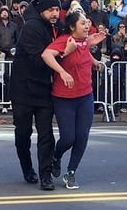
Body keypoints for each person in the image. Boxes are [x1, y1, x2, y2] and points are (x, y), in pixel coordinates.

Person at [41, 12, 105, 189]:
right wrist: (62, 72)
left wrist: (95, 62)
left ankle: (71, 172)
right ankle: (56, 156)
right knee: (68, 137)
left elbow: (84, 51)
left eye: (87, 23)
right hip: (64, 98)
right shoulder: (65, 41)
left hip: (85, 95)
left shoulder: (85, 41)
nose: (87, 26)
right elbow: (46, 55)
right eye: (83, 23)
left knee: (82, 135)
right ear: (72, 27)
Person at [10, 0, 64, 191]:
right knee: (23, 133)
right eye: (51, 10)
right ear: (42, 10)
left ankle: (45, 174)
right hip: (23, 89)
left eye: (57, 10)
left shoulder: (55, 26)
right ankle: (27, 168)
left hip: (42, 88)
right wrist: (63, 54)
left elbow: (71, 36)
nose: (55, 14)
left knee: (46, 134)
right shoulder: (32, 27)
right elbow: (39, 58)